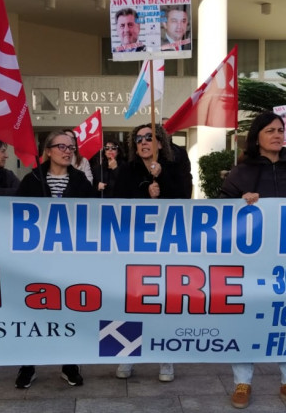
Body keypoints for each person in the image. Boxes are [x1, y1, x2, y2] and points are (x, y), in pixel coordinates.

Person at [219, 112, 286, 410]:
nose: (277, 135)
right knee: (245, 317)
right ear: (257, 137)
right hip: (250, 263)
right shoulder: (241, 171)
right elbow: (220, 209)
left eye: (280, 130)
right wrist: (240, 202)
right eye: (270, 130)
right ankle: (242, 382)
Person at [14, 130, 93, 389]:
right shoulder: (31, 180)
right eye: (61, 146)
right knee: (33, 311)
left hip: (72, 260)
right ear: (47, 151)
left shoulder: (81, 181)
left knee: (70, 310)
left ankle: (69, 364)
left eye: (71, 146)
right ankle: (28, 364)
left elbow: (94, 216)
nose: (68, 151)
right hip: (36, 261)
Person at [112, 124, 190, 382]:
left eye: (149, 138)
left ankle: (165, 358)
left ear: (160, 143)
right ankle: (126, 355)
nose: (144, 142)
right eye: (139, 139)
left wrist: (163, 177)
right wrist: (144, 191)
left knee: (163, 300)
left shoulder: (175, 165)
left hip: (166, 243)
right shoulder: (127, 169)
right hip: (134, 245)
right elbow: (117, 198)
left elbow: (184, 196)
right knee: (130, 300)